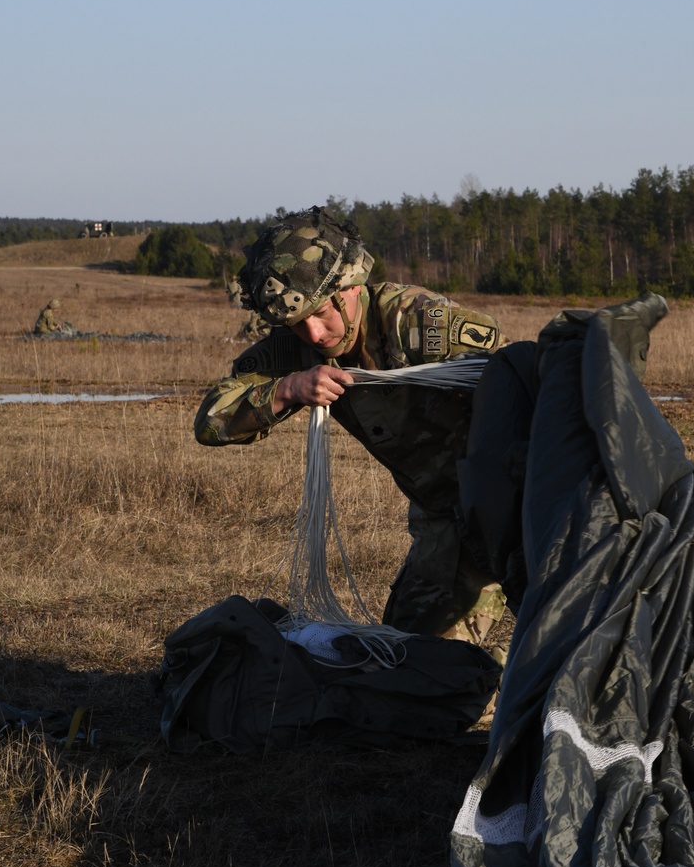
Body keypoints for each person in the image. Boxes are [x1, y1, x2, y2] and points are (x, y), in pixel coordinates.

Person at [195, 208, 507, 643]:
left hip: (512, 505)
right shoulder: (296, 349)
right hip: (444, 519)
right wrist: (288, 389)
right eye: (296, 324)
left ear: (352, 286)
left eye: (322, 312)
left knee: (564, 641)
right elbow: (211, 421)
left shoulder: (417, 322)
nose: (315, 334)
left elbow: (515, 382)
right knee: (405, 660)